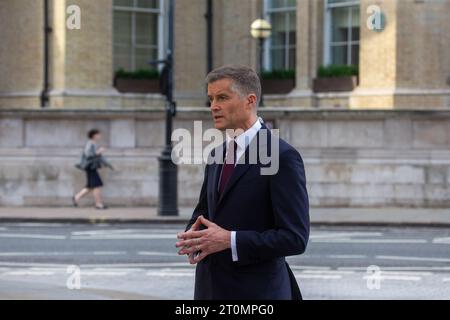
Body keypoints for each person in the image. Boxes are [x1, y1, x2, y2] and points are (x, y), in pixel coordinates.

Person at [176, 65, 310, 300]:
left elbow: (295, 238)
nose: (213, 106)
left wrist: (230, 240)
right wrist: (194, 237)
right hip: (209, 290)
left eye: (223, 97)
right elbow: (204, 214)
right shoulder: (216, 155)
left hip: (258, 293)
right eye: (211, 99)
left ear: (250, 100)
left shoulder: (281, 156)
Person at [73, 129, 113, 210]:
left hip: (92, 167)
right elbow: (88, 154)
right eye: (98, 134)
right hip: (90, 167)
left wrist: (109, 165)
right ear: (94, 135)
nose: (100, 136)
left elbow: (100, 158)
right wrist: (98, 152)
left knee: (91, 186)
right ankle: (98, 204)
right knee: (97, 185)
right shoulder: (90, 143)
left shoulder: (94, 144)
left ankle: (76, 197)